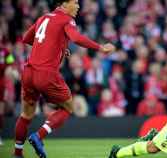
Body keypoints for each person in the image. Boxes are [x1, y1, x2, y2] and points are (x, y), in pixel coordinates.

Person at [14, 0, 115, 158]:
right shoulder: (66, 19)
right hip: (46, 74)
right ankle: (39, 135)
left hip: (28, 72)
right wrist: (101, 47)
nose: (78, 6)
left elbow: (27, 38)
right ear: (63, 4)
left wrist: (58, 46)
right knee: (68, 107)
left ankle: (17, 153)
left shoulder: (44, 17)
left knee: (26, 115)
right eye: (75, 2)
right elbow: (76, 38)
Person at [0, 46, 15, 146]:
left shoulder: (5, 51)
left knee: (0, 110)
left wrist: (9, 69)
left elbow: (11, 62)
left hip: (1, 83)